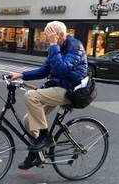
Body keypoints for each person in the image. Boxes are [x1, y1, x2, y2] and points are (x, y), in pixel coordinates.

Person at [9, 21, 88, 170]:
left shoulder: (75, 47)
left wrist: (53, 45)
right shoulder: (56, 48)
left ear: (59, 35)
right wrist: (20, 75)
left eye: (49, 35)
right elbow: (44, 71)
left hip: (71, 90)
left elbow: (62, 69)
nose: (46, 38)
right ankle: (37, 155)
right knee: (28, 121)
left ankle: (45, 137)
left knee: (31, 96)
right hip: (57, 88)